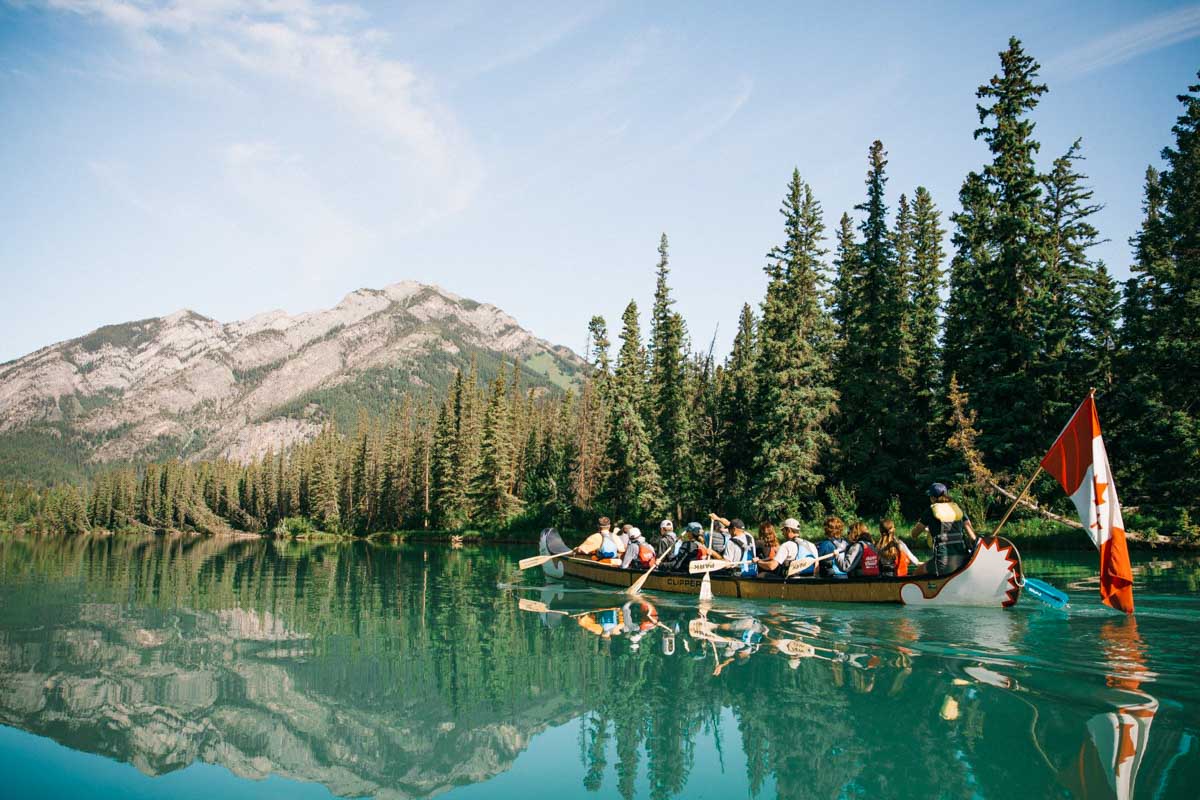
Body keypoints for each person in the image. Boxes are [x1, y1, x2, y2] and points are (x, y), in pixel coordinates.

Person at [910, 483, 977, 576]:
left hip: (942, 562)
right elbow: (973, 537)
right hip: (963, 560)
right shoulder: (957, 509)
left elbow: (914, 534)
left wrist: (922, 528)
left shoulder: (930, 511)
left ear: (933, 498)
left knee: (916, 573)